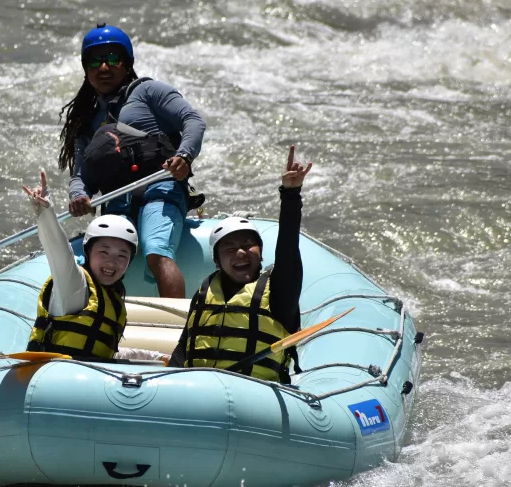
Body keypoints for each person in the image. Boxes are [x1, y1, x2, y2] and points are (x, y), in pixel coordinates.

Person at [58, 23, 206, 299]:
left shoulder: (149, 91)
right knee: (99, 258)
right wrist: (79, 195)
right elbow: (81, 175)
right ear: (85, 68)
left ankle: (175, 331)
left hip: (160, 188)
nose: (104, 67)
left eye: (113, 58)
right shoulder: (85, 120)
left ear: (127, 63)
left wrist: (184, 155)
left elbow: (193, 121)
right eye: (94, 61)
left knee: (156, 249)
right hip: (117, 200)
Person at [168, 146, 312, 383]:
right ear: (217, 260)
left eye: (248, 245)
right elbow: (184, 348)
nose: (241, 252)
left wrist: (290, 194)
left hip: (254, 396)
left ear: (261, 254)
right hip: (197, 394)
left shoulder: (279, 293)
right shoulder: (204, 293)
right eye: (230, 248)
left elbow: (288, 248)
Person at [22, 171, 169, 363]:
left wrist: (157, 357)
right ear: (88, 253)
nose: (112, 261)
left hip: (92, 383)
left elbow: (107, 354)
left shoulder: (113, 300)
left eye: (121, 255)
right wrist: (46, 212)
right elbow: (59, 252)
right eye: (104, 252)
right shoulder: (74, 285)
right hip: (55, 379)